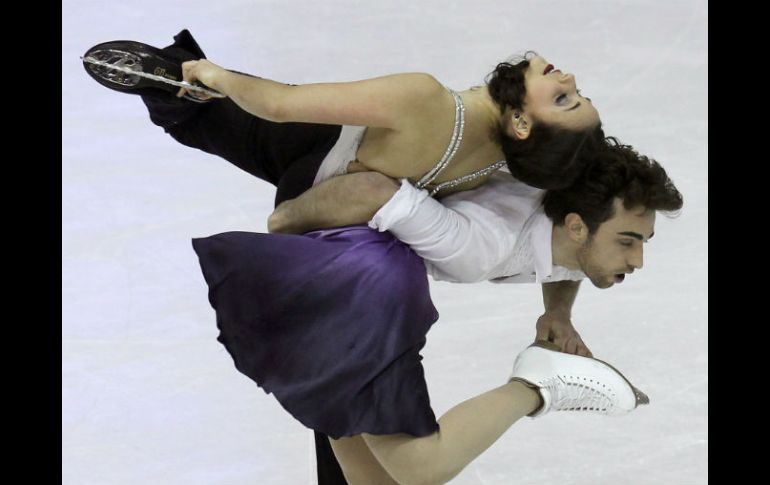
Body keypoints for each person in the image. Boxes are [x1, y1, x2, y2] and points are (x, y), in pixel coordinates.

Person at [81, 29, 674, 484]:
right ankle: (188, 89)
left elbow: (575, 239)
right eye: (569, 97)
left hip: (355, 232)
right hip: (342, 233)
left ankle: (190, 93)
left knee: (365, 456)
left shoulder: (538, 171)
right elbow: (292, 114)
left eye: (568, 98)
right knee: (407, 462)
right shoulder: (449, 139)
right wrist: (282, 219)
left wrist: (559, 312)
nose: (569, 77)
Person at [192, 137, 683, 484]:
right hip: (360, 287)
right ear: (576, 226)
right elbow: (374, 191)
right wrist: (284, 223)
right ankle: (539, 385)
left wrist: (558, 314)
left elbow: (571, 262)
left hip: (349, 280)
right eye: (628, 241)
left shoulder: (563, 211)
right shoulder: (477, 243)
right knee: (421, 466)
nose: (638, 259)